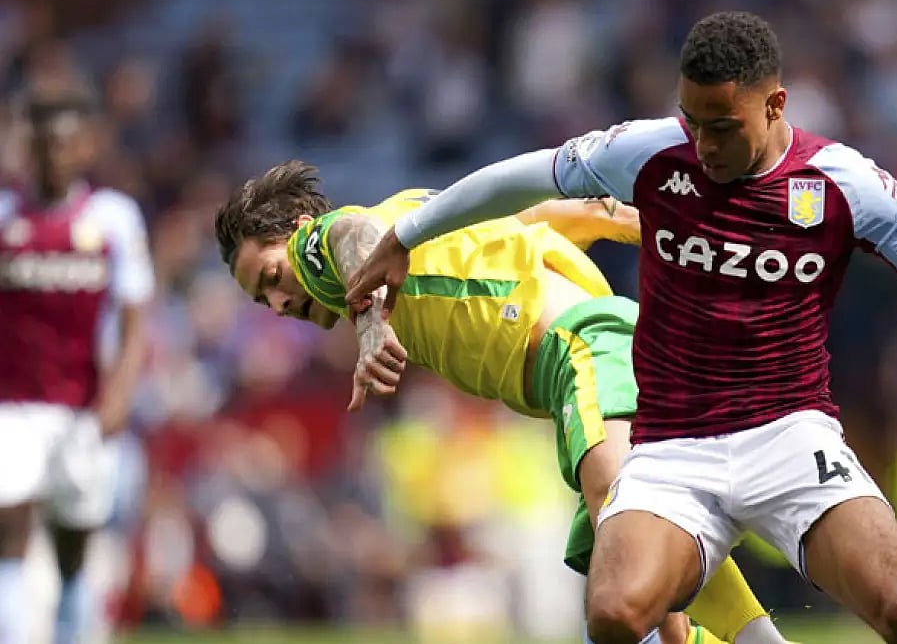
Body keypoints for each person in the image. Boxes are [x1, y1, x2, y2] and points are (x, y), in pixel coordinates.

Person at [343, 11, 897, 644]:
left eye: (723, 127)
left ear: (776, 105)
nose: (704, 145)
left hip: (790, 436)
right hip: (672, 449)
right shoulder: (651, 152)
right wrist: (405, 236)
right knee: (614, 614)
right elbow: (520, 176)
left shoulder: (844, 184)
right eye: (693, 122)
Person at [213, 160, 796, 644]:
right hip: (617, 352)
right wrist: (672, 235)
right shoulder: (419, 218)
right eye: (263, 302)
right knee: (656, 530)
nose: (279, 303)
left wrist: (370, 329)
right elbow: (537, 220)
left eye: (270, 277)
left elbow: (348, 235)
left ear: (298, 230)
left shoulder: (327, 241)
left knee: (627, 534)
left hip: (582, 348)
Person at [0, 86, 153, 644]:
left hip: (84, 406)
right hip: (12, 405)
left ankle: (70, 625)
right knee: (10, 526)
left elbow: (135, 318)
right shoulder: (5, 217)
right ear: (28, 148)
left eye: (64, 143)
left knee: (73, 543)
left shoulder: (113, 220)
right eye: (43, 144)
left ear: (86, 147)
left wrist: (119, 396)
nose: (53, 155)